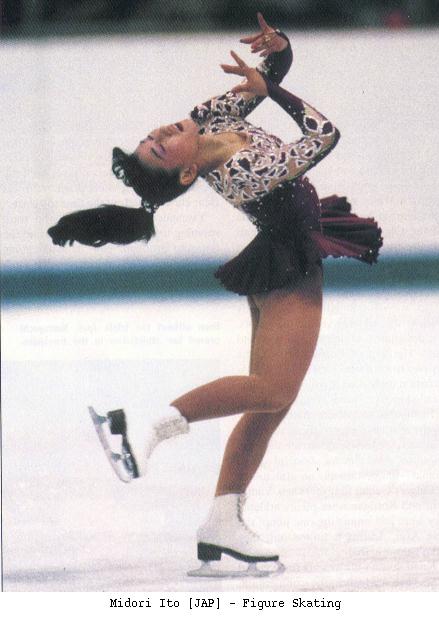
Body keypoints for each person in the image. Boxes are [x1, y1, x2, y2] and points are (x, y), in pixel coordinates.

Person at [48, 13, 382, 576]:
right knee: (273, 390)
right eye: (159, 149)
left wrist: (279, 51)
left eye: (151, 137)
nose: (159, 134)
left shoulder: (207, 120)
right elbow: (324, 136)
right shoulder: (245, 171)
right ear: (185, 175)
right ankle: (145, 426)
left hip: (283, 254)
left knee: (272, 401)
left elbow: (263, 80)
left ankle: (224, 519)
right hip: (288, 263)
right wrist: (273, 88)